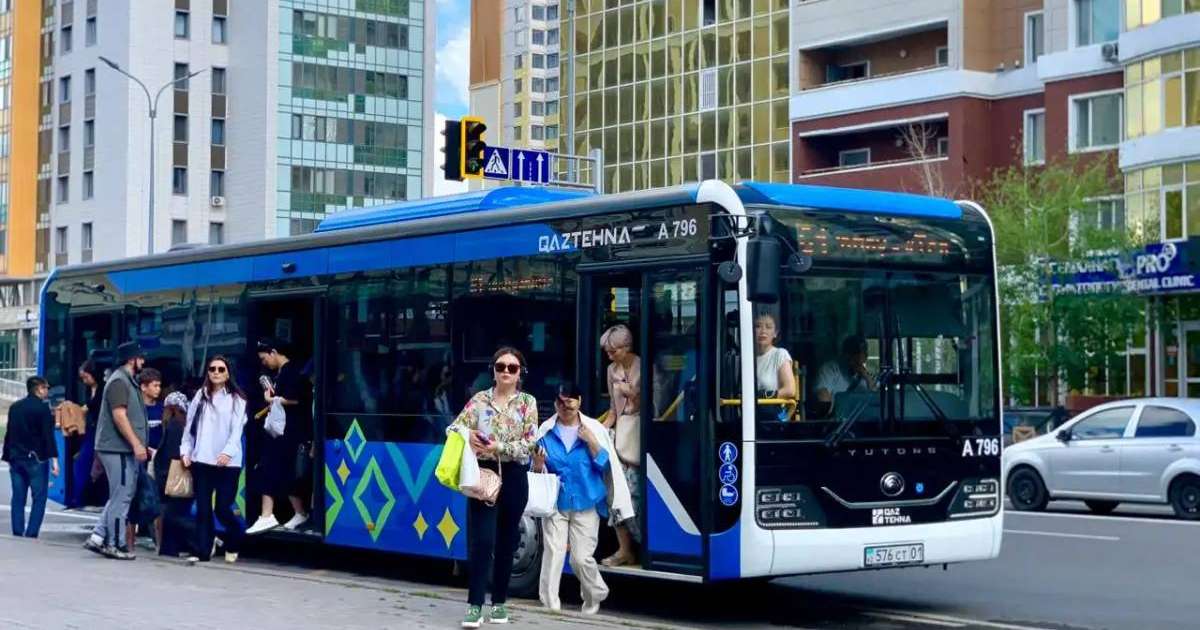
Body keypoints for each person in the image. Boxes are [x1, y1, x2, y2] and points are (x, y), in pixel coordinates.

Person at [452, 347, 538, 628]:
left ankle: (499, 603)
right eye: (501, 366)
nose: (505, 372)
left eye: (512, 368)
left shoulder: (527, 402)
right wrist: (469, 436)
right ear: (493, 370)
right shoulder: (479, 400)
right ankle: (475, 605)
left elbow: (529, 443)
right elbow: (453, 428)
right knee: (482, 540)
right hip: (484, 475)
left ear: (519, 373)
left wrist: (498, 446)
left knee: (507, 542)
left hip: (514, 476)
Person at [532, 382, 627, 615]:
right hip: (555, 502)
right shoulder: (545, 430)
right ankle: (550, 602)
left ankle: (594, 594)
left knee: (580, 558)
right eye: (561, 402)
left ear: (579, 402)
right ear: (556, 403)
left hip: (586, 501)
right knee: (553, 552)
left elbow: (606, 466)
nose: (566, 406)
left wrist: (592, 442)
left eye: (571, 401)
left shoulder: (593, 428)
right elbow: (535, 472)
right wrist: (538, 464)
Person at [83, 341, 150, 560]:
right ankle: (116, 544)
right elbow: (119, 415)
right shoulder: (120, 382)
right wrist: (136, 444)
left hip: (119, 448)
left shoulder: (125, 380)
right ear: (132, 359)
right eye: (141, 358)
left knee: (120, 493)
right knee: (123, 495)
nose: (143, 361)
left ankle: (99, 536)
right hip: (117, 448)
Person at [181, 355, 248, 563]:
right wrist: (185, 450)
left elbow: (236, 431)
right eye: (212, 369)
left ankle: (235, 537)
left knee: (222, 507)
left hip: (228, 462)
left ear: (228, 373)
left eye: (221, 369)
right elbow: (189, 427)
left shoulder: (238, 399)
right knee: (202, 508)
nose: (216, 373)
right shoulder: (200, 396)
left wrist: (227, 452)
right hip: (202, 459)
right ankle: (203, 550)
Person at [247, 338, 314, 534]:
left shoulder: (291, 371)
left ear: (274, 352)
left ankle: (268, 515)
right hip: (285, 431)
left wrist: (272, 399)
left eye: (264, 358)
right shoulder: (286, 371)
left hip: (288, 432)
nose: (264, 362)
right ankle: (291, 513)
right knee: (282, 473)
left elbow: (295, 399)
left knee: (270, 468)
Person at [599, 324, 640, 567]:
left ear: (626, 348)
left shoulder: (642, 366)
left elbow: (654, 404)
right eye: (607, 351)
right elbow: (614, 411)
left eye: (613, 351)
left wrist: (629, 391)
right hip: (619, 438)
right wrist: (602, 431)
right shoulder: (610, 369)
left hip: (638, 437)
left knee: (634, 493)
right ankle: (624, 549)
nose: (609, 356)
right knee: (615, 494)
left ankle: (640, 544)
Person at [2, 376, 59, 538]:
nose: (48, 391)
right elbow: (48, 436)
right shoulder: (43, 409)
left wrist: (7, 455)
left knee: (18, 497)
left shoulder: (15, 408)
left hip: (15, 458)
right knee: (39, 497)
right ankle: (32, 532)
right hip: (35, 458)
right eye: (46, 388)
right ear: (39, 388)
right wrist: (54, 460)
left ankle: (17, 530)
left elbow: (9, 434)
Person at [124, 368, 163, 553]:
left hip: (155, 460)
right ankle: (129, 543)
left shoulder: (162, 409)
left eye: (159, 385)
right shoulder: (134, 409)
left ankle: (159, 545)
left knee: (156, 501)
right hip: (136, 459)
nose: (158, 389)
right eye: (154, 385)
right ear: (144, 387)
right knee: (132, 500)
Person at [154, 391, 197, 559]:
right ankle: (171, 548)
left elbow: (172, 454)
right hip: (181, 476)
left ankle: (198, 541)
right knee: (177, 514)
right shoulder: (184, 425)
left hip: (172, 477)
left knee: (173, 515)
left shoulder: (173, 426)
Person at [68, 361, 105, 508]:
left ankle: (83, 497)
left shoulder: (104, 389)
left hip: (100, 431)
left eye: (86, 377)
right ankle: (81, 497)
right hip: (91, 430)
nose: (84, 381)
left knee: (85, 464)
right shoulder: (89, 390)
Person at [814, 335, 876, 416]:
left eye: (862, 354)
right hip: (838, 424)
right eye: (853, 355)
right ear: (845, 355)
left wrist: (868, 379)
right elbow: (823, 397)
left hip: (860, 422)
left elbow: (875, 402)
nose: (857, 361)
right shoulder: (830, 370)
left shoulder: (865, 376)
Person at [754, 313, 797, 421]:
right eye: (758, 326)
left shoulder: (780, 354)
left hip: (771, 418)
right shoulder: (744, 358)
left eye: (768, 327)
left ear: (775, 333)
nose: (763, 331)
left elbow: (790, 390)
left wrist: (763, 396)